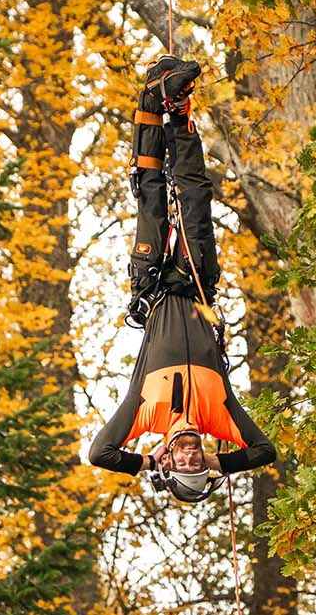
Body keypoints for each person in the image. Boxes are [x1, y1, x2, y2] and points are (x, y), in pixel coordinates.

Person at [86, 55, 276, 501]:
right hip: (198, 283)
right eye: (198, 465)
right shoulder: (220, 416)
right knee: (195, 196)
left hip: (152, 287)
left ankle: (151, 100)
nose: (191, 459)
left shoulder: (144, 415)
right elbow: (264, 451)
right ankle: (178, 109)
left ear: (170, 461)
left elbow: (101, 453)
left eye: (183, 466)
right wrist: (221, 464)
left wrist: (147, 463)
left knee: (151, 196)